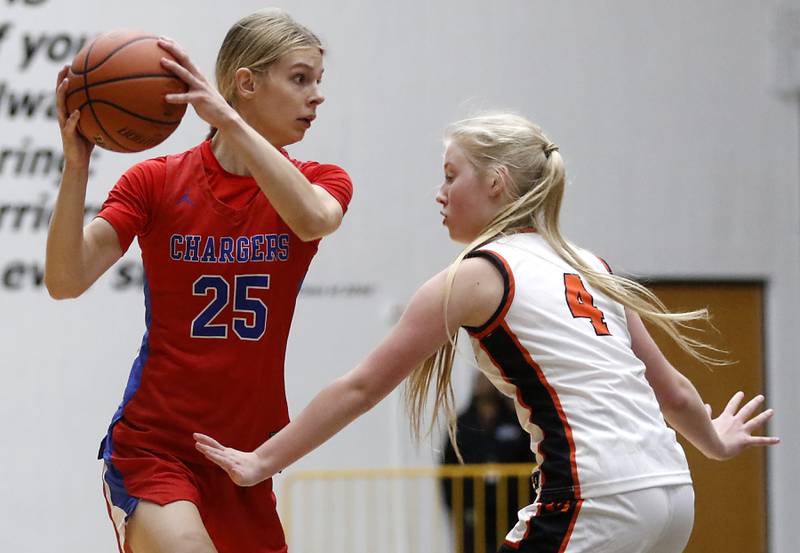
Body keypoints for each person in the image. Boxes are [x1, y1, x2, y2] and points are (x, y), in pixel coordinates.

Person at [193, 113, 779, 553]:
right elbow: (670, 389)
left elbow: (360, 388)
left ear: (497, 183)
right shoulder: (587, 263)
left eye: (452, 176)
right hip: (672, 492)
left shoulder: (480, 275)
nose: (439, 194)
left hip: (595, 498)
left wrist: (261, 461)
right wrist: (715, 443)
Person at [46, 9, 352, 553]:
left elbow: (314, 219)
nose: (316, 97)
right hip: (155, 447)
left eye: (317, 82)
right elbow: (65, 279)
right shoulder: (156, 181)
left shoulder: (319, 181)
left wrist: (231, 121)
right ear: (246, 83)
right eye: (300, 78)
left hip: (246, 459)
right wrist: (76, 165)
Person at [441, 373, 533, 553]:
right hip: (473, 508)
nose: (484, 384)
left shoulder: (514, 420)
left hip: (511, 507)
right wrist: (456, 505)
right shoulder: (462, 423)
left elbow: (529, 458)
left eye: (488, 380)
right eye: (480, 381)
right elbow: (448, 464)